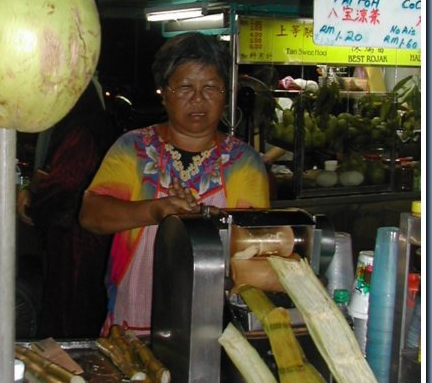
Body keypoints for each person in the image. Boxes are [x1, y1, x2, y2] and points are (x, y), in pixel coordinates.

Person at [79, 33, 271, 336]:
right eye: (185, 87)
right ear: (164, 93)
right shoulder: (133, 148)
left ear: (225, 94)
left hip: (213, 325)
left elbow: (256, 247)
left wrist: (204, 221)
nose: (198, 99)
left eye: (210, 87)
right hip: (135, 321)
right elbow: (91, 215)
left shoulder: (243, 162)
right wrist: (156, 211)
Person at [16, 82, 116, 338]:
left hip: (78, 239)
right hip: (75, 232)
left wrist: (33, 198)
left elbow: (62, 183)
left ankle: (72, 364)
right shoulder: (84, 124)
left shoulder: (82, 130)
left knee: (72, 307)